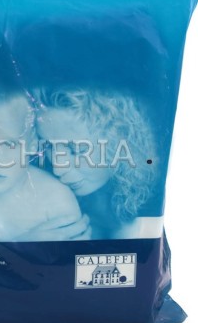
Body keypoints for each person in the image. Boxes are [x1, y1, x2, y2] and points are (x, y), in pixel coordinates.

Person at [0, 93, 84, 242]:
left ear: (32, 144)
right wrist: (21, 245)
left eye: (8, 144)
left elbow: (73, 254)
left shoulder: (56, 198)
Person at [35, 87, 156, 239]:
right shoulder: (38, 193)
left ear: (117, 141)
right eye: (48, 146)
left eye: (76, 150)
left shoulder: (161, 202)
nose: (58, 168)